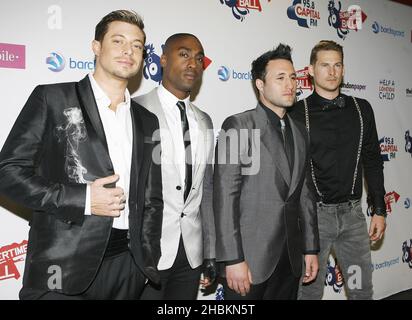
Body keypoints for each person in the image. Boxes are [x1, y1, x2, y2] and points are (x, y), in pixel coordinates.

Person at [0, 10, 163, 300]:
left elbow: (152, 199)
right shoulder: (52, 98)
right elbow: (7, 172)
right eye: (118, 41)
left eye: (137, 45)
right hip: (62, 269)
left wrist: (146, 261)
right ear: (96, 47)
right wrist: (85, 199)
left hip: (129, 269)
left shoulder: (147, 120)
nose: (129, 51)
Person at [213, 44, 319, 300]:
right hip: (249, 260)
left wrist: (310, 248)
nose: (290, 84)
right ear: (260, 85)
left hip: (291, 259)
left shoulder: (299, 132)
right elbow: (225, 197)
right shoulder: (239, 125)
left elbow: (305, 194)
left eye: (293, 77)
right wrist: (233, 259)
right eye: (280, 78)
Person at [291, 40, 386, 300]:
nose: (332, 72)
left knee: (360, 290)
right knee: (308, 293)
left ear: (343, 69)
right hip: (314, 221)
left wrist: (379, 209)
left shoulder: (361, 108)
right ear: (310, 70)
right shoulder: (297, 113)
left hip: (353, 219)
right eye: (325, 65)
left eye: (337, 65)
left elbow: (373, 160)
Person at [134, 33, 216, 300]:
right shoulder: (135, 110)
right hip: (146, 251)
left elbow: (206, 191)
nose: (193, 63)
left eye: (199, 58)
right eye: (184, 54)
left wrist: (210, 251)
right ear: (163, 60)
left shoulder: (204, 120)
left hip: (190, 255)